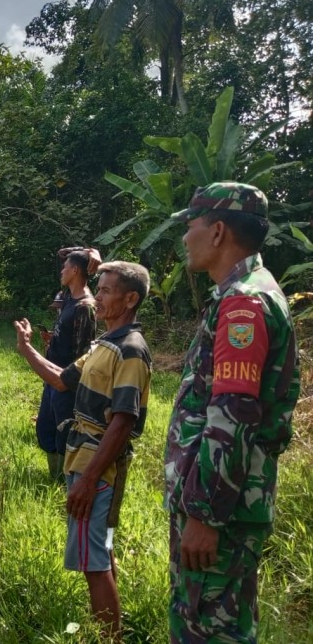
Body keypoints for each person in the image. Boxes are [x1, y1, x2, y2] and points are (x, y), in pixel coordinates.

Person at [165, 182, 300, 643]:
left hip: (222, 512)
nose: (186, 237)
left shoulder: (243, 302)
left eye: (191, 226)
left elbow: (233, 416)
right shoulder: (243, 293)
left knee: (207, 630)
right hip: (230, 505)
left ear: (218, 231)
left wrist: (204, 515)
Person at [14, 261, 152, 639]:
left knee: (93, 561)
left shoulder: (130, 351)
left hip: (97, 466)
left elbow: (123, 422)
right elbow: (61, 380)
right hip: (84, 459)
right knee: (102, 549)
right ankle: (110, 630)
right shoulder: (104, 344)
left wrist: (89, 480)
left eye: (106, 290)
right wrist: (27, 349)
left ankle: (107, 636)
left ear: (130, 299)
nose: (98, 296)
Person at [35, 250, 96, 481]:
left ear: (75, 271)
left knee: (64, 432)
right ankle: (53, 476)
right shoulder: (69, 298)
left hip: (66, 382)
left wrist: (92, 253)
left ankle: (62, 481)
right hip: (52, 375)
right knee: (45, 427)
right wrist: (54, 338)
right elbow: (62, 252)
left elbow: (83, 352)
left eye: (65, 267)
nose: (61, 271)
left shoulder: (85, 307)